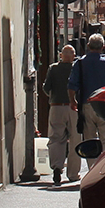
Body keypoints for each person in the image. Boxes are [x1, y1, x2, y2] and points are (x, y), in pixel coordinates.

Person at [68, 34, 105, 156]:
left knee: (89, 141)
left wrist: (73, 101)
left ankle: (92, 169)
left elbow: (72, 85)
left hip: (87, 105)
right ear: (103, 47)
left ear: (88, 46)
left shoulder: (80, 63)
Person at [42, 45, 81, 186]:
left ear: (61, 56)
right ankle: (73, 174)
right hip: (73, 107)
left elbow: (46, 88)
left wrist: (52, 96)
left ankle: (57, 167)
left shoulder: (53, 68)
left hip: (56, 106)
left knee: (56, 138)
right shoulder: (77, 68)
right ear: (74, 56)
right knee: (75, 139)